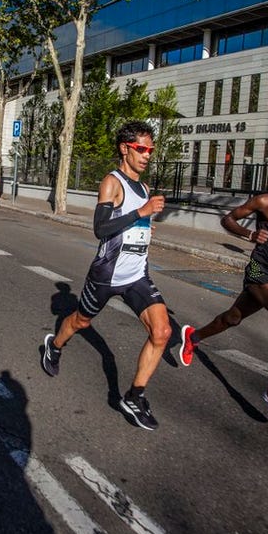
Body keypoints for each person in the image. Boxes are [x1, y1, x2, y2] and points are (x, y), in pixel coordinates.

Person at [177, 158, 268, 426]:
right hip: (260, 274)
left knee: (232, 318)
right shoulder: (267, 203)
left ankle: (193, 336)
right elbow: (228, 219)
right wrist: (249, 236)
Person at [41, 120, 170, 430]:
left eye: (150, 149)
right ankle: (54, 346)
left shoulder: (144, 187)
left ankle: (134, 396)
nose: (147, 155)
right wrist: (140, 213)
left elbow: (125, 224)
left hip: (136, 275)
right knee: (81, 321)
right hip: (106, 274)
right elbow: (100, 229)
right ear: (125, 149)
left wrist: (142, 225)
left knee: (162, 332)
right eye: (141, 149)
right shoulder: (112, 182)